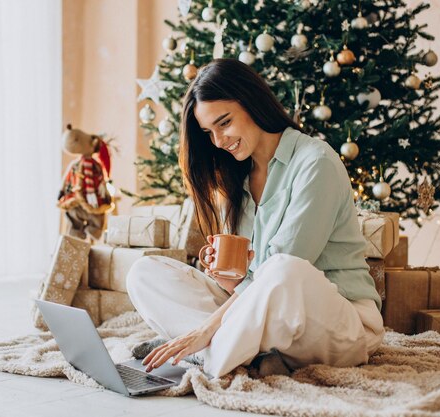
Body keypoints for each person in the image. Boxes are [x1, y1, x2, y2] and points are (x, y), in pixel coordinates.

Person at [126, 58, 384, 378]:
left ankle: (209, 355)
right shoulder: (239, 177)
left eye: (224, 123)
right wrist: (230, 280)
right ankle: (238, 353)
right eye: (209, 132)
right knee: (145, 272)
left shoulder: (316, 163)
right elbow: (253, 283)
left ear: (251, 101)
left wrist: (204, 328)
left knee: (283, 268)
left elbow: (280, 274)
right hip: (273, 320)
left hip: (342, 323)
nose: (218, 141)